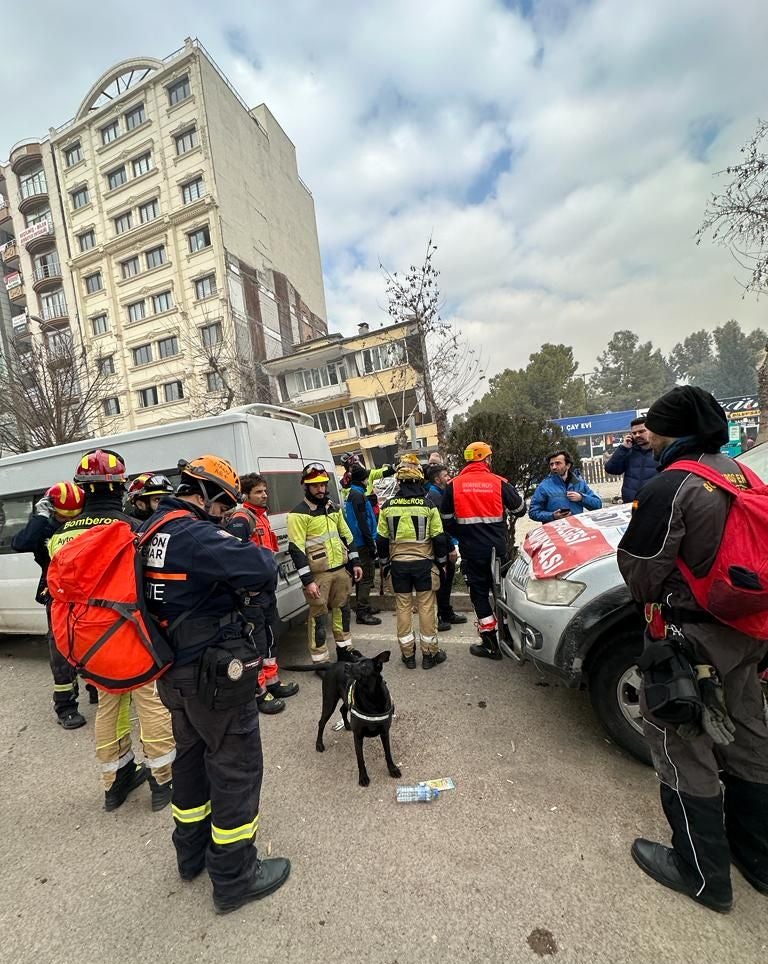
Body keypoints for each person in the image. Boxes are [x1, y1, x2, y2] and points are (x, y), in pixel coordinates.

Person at [617, 386, 768, 913]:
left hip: (690, 637)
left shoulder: (673, 485)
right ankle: (759, 859)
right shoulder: (743, 474)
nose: (649, 438)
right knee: (749, 733)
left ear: (673, 430)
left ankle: (702, 875)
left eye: (655, 429)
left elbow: (639, 572)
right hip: (748, 631)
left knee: (683, 744)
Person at [140, 455, 291, 914]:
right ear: (204, 494)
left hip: (172, 672)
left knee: (190, 761)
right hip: (213, 676)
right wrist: (240, 540)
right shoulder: (194, 532)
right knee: (235, 766)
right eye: (224, 505)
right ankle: (234, 876)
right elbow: (262, 568)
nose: (225, 513)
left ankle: (190, 855)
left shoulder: (149, 532)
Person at [48, 449, 175, 813]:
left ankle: (114, 784)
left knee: (109, 706)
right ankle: (162, 780)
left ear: (82, 490)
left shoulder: (60, 536)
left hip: (87, 640)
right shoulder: (135, 530)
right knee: (150, 704)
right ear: (121, 487)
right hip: (132, 635)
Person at [11, 481, 95, 729]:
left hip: (88, 595)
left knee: (92, 641)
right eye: (60, 515)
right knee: (61, 650)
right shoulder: (44, 527)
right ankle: (66, 706)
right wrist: (40, 517)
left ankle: (96, 687)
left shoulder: (86, 524)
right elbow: (21, 543)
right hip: (57, 597)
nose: (66, 520)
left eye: (73, 515)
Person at [441, 442, 526, 660]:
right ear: (486, 459)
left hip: (472, 550)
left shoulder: (454, 485)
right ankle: (509, 637)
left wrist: (463, 536)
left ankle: (490, 644)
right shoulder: (499, 482)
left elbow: (446, 520)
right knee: (503, 592)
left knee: (479, 594)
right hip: (497, 549)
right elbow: (520, 509)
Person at [226, 473, 299, 715]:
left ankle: (272, 682)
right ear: (246, 495)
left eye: (265, 491)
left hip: (266, 592)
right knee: (256, 643)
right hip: (252, 595)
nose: (264, 495)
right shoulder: (241, 519)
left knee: (270, 637)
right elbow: (234, 560)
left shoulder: (260, 517)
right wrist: (248, 588)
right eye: (258, 492)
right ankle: (259, 691)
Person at [287, 464, 363, 665]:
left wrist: (355, 561)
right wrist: (308, 581)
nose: (320, 490)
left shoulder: (333, 508)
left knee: (342, 611)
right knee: (319, 618)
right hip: (318, 575)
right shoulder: (298, 514)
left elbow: (347, 535)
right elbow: (296, 549)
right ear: (306, 487)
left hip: (340, 571)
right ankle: (320, 660)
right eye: (315, 486)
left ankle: (345, 650)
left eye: (322, 485)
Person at [377, 456, 449, 669]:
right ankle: (429, 655)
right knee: (427, 607)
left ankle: (408, 656)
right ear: (419, 480)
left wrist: (384, 564)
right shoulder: (428, 505)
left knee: (403, 608)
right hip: (424, 565)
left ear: (399, 481)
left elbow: (381, 539)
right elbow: (439, 537)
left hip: (398, 566)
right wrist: (442, 562)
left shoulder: (388, 506)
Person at [425, 464, 466, 631]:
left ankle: (446, 612)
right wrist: (450, 548)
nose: (449, 477)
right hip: (440, 547)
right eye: (446, 475)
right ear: (437, 479)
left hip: (443, 544)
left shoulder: (440, 494)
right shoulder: (434, 497)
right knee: (441, 581)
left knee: (446, 581)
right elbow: (442, 527)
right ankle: (440, 616)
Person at [343, 463, 382, 626]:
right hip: (362, 542)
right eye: (366, 478)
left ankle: (363, 606)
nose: (368, 481)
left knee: (362, 577)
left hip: (358, 541)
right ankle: (362, 611)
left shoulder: (355, 493)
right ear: (363, 479)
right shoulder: (358, 496)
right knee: (366, 577)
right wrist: (371, 544)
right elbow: (362, 522)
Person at [528, 451, 603, 523]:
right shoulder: (544, 486)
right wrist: (552, 516)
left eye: (558, 463)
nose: (554, 467)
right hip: (555, 532)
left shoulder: (579, 483)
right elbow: (533, 512)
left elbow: (598, 505)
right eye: (551, 464)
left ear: (568, 465)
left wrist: (582, 498)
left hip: (577, 530)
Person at [604, 417, 657, 503]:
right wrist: (623, 448)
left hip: (654, 502)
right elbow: (611, 469)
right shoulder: (628, 451)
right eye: (634, 433)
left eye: (641, 431)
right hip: (632, 503)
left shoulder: (661, 451)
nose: (637, 435)